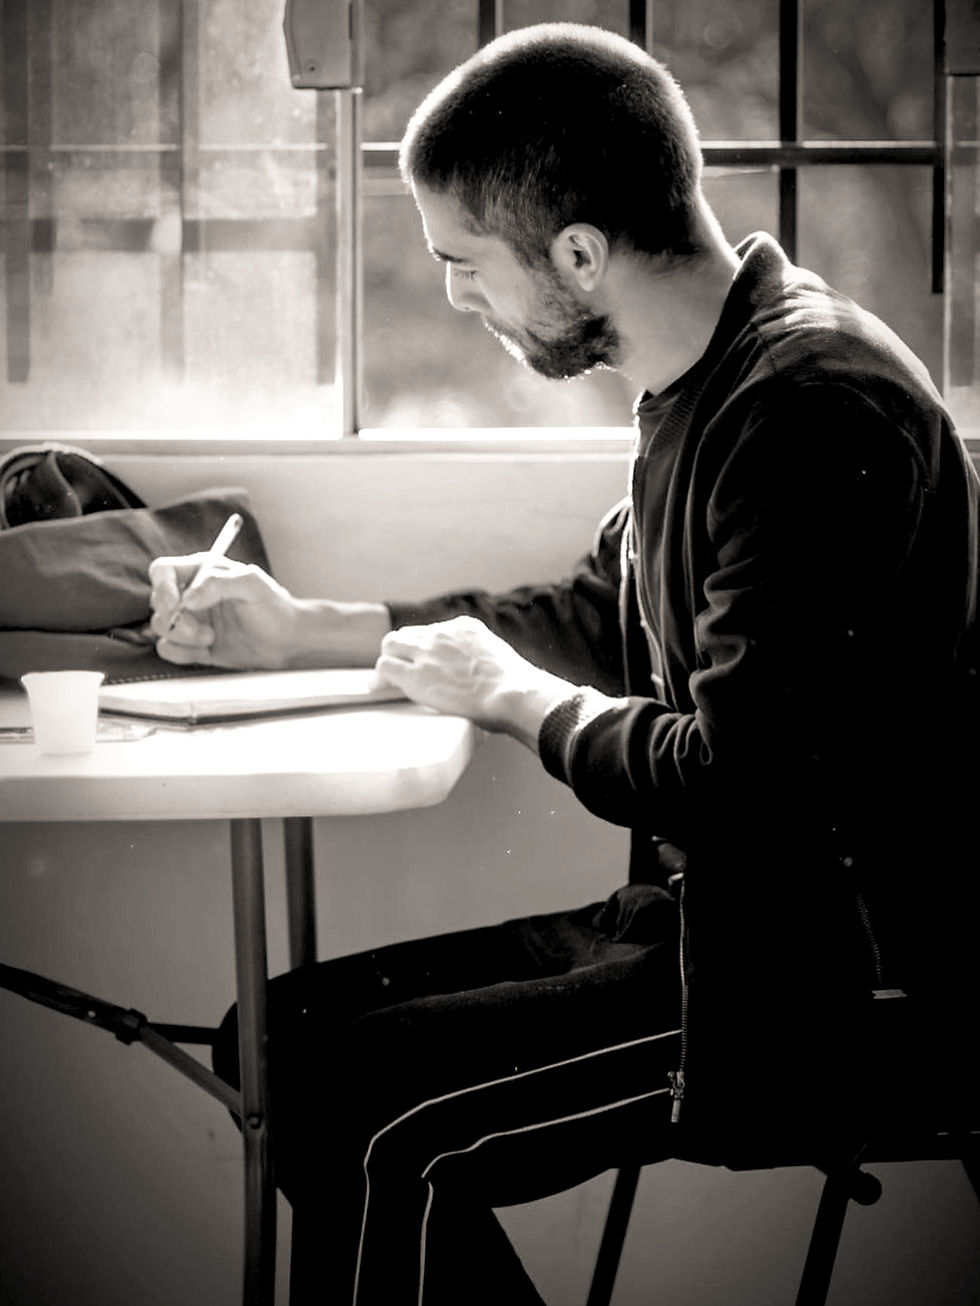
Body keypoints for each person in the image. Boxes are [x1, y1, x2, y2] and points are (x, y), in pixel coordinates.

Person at [148, 23, 980, 1305]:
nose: (451, 296)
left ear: (579, 255)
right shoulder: (708, 377)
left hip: (810, 976)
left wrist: (514, 701)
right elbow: (602, 610)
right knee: (276, 1046)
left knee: (362, 1112)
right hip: (704, 924)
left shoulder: (811, 408)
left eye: (462, 262)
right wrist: (313, 627)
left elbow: (743, 780)